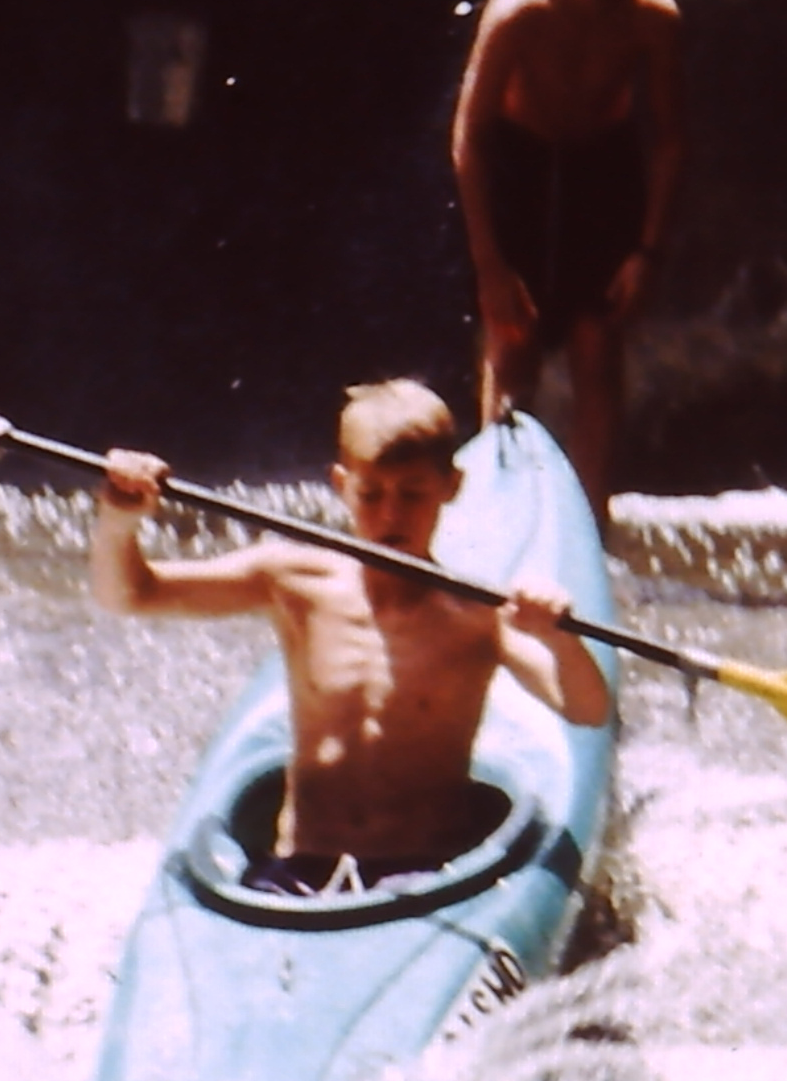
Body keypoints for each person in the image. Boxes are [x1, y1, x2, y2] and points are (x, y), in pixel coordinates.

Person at [90, 379, 611, 890]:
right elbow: (130, 594)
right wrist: (119, 521)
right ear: (341, 485)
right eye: (371, 494)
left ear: (451, 487)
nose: (391, 515)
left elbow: (587, 708)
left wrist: (559, 638)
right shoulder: (292, 582)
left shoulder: (477, 613)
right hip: (299, 869)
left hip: (425, 873)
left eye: (412, 494)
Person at [451, 0, 686, 520]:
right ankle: (497, 514)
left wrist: (647, 252)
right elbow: (469, 136)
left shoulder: (651, 15)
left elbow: (670, 139)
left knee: (597, 344)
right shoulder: (519, 11)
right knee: (513, 341)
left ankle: (590, 522)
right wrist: (490, 265)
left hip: (600, 167)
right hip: (520, 165)